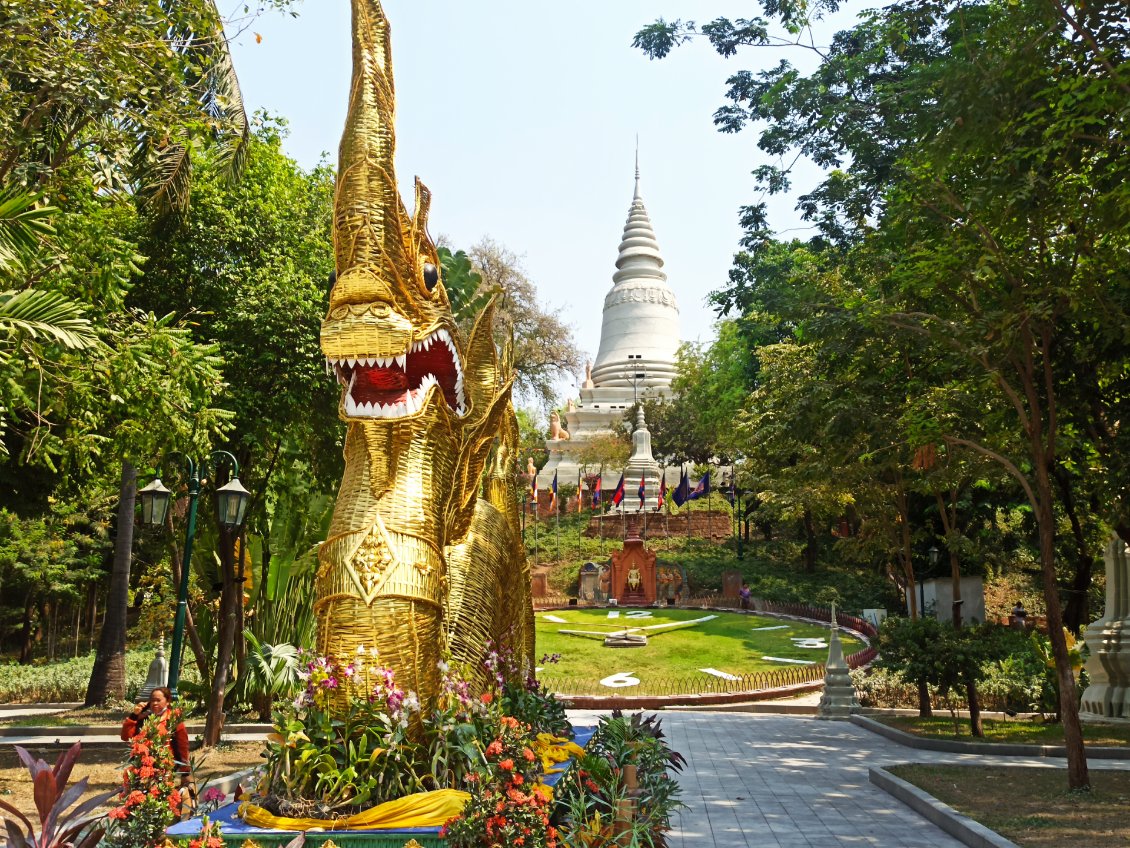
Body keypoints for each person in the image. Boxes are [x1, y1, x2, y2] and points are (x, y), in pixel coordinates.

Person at [121, 687, 194, 803]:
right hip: (142, 770)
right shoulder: (143, 719)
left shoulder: (173, 721)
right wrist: (134, 716)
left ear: (167, 701)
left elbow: (182, 748)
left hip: (165, 770)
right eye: (152, 700)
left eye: (158, 700)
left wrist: (185, 772)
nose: (154, 703)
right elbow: (126, 736)